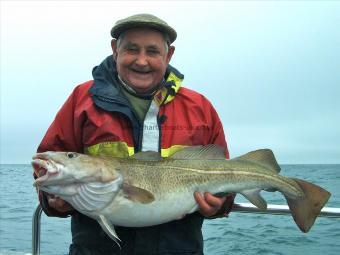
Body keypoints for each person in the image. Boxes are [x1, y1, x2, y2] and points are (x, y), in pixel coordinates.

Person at [34, 13, 235, 255]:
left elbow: (226, 176)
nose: (141, 61)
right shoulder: (82, 101)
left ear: (168, 55)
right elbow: (47, 168)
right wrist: (53, 200)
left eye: (152, 51)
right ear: (114, 50)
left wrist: (220, 204)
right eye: (131, 49)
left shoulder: (200, 107)